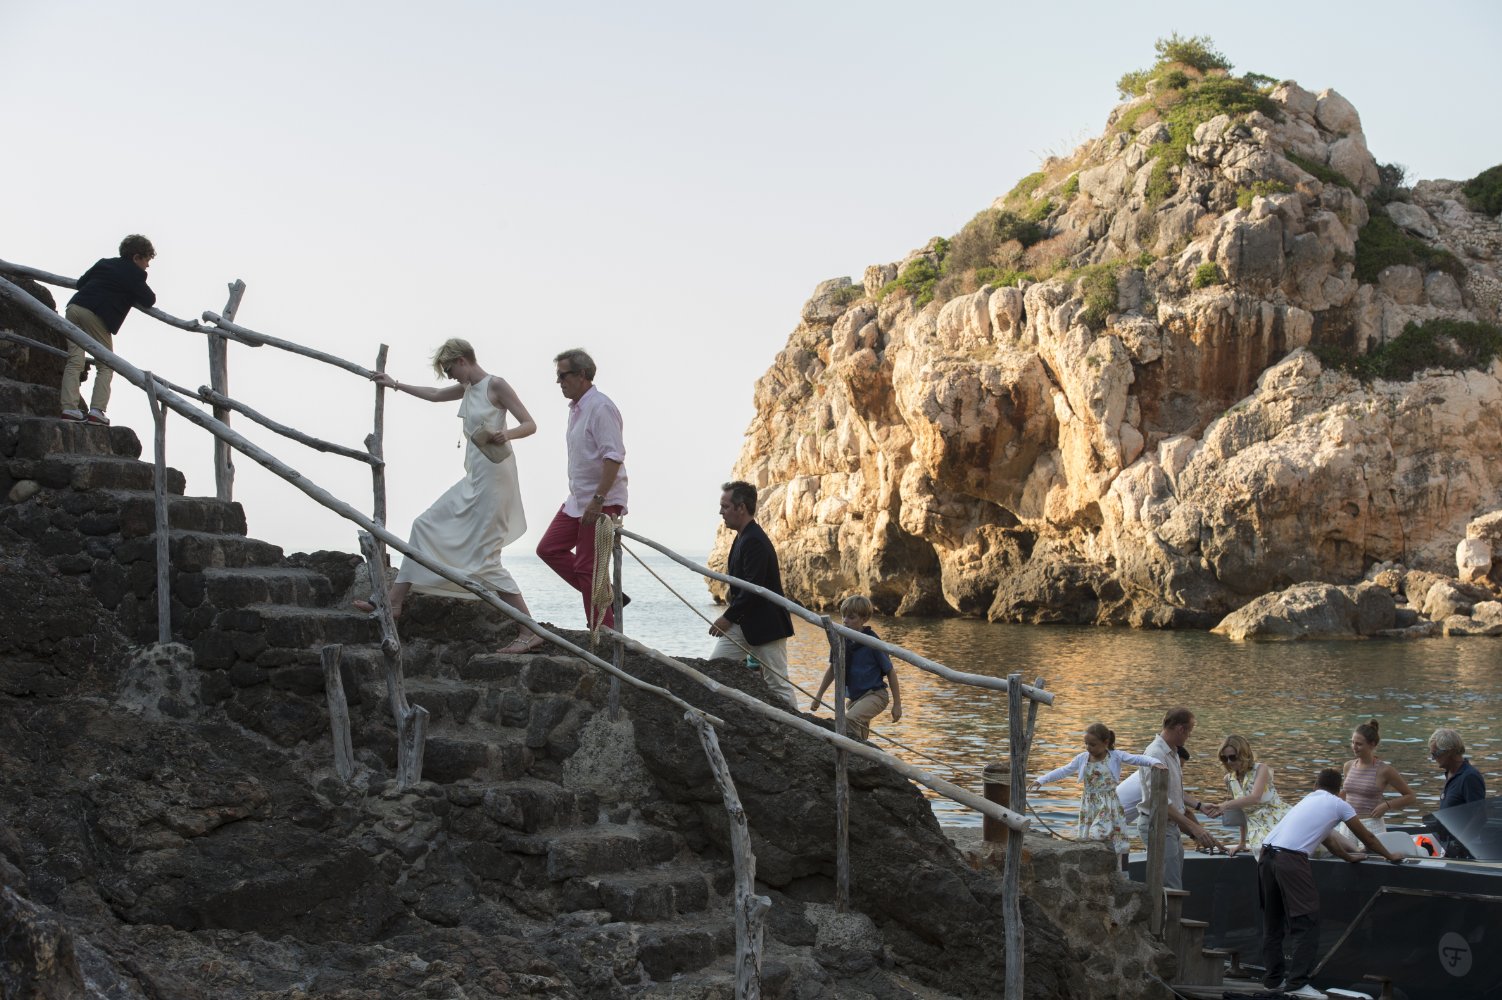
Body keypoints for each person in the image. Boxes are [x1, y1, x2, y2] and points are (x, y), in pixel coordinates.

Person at [365, 339, 543, 653]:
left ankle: (529, 630)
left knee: (486, 555)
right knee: (423, 524)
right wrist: (395, 384)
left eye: (449, 369)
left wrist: (508, 433)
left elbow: (530, 424)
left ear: (462, 360)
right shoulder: (467, 389)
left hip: (496, 478)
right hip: (474, 478)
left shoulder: (496, 385)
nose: (449, 377)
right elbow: (434, 395)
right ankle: (394, 602)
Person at [1258, 768, 1403, 998]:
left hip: (1266, 855)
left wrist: (1347, 856)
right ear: (1340, 789)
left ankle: (1273, 981)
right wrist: (1390, 856)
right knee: (1307, 921)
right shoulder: (1338, 804)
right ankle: (1297, 984)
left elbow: (1326, 836)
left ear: (1316, 785)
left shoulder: (1308, 799)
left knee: (1273, 921)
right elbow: (1368, 837)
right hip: (1290, 859)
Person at [536, 348, 628, 629]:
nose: (559, 382)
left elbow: (614, 456)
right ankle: (609, 597)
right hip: (577, 500)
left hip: (601, 499)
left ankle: (603, 629)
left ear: (582, 375)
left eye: (563, 375)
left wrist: (598, 500)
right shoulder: (576, 409)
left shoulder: (601, 407)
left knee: (587, 567)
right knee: (549, 549)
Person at [708, 480, 797, 711]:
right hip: (744, 622)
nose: (721, 512)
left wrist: (727, 618)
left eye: (725, 506)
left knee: (778, 684)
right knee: (714, 668)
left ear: (741, 508)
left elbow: (754, 588)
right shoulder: (742, 538)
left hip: (766, 624)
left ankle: (800, 730)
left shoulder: (754, 540)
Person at [1032, 723, 1163, 863]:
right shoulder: (1082, 758)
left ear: (1105, 742)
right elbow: (1064, 770)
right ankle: (1094, 864)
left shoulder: (1115, 756)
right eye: (1086, 744)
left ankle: (1120, 867)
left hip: (1108, 803)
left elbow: (1137, 758)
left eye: (1093, 744)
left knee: (1100, 832)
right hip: (1089, 804)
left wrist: (1154, 762)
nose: (1088, 748)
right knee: (1087, 836)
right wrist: (1042, 780)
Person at [61, 234, 156, 424]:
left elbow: (80, 283)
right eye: (146, 259)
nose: (147, 266)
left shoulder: (104, 263)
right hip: (96, 315)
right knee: (106, 364)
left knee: (75, 360)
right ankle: (97, 411)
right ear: (136, 257)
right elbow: (149, 299)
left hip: (74, 308)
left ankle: (69, 409)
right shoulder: (134, 274)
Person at [1137, 707, 1219, 890]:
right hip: (1158, 826)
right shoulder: (1155, 754)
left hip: (1170, 826)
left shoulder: (1172, 752)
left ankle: (1167, 918)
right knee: (1170, 887)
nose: (1189, 736)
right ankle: (1164, 919)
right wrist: (1194, 828)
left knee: (1173, 883)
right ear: (1181, 729)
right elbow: (1160, 800)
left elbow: (1171, 790)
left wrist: (1199, 806)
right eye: (1189, 731)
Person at [810, 595, 903, 740]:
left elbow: (890, 671)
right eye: (843, 617)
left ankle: (855, 755)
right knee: (861, 735)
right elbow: (833, 669)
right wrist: (818, 695)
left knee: (849, 720)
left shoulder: (872, 642)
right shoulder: (840, 640)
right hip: (855, 699)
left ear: (864, 619)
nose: (845, 621)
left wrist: (897, 704)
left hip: (875, 695)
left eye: (851, 617)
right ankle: (863, 758)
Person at [1203, 734, 1290, 858]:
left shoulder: (1261, 769)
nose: (1228, 762)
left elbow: (1255, 797)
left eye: (1232, 757)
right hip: (1256, 826)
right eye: (1224, 758)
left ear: (1244, 754)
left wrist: (1225, 805)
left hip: (1278, 817)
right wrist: (1242, 842)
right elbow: (1241, 810)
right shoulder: (1229, 779)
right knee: (1266, 853)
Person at [1340, 719, 1416, 836]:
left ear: (1372, 744)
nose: (1354, 747)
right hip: (1348, 824)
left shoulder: (1384, 770)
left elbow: (1410, 797)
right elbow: (1345, 793)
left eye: (1359, 744)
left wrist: (1386, 806)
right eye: (1353, 742)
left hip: (1371, 825)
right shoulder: (1348, 766)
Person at [1118, 744, 1189, 825]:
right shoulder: (1154, 776)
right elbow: (1181, 810)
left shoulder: (1146, 771)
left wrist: (1200, 806)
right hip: (1108, 821)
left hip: (1110, 819)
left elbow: (1177, 794)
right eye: (1178, 766)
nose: (1178, 770)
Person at [1430, 727, 1486, 809]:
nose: (1433, 758)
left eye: (1435, 754)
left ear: (1450, 751)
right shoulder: (1450, 773)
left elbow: (1479, 816)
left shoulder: (1470, 777)